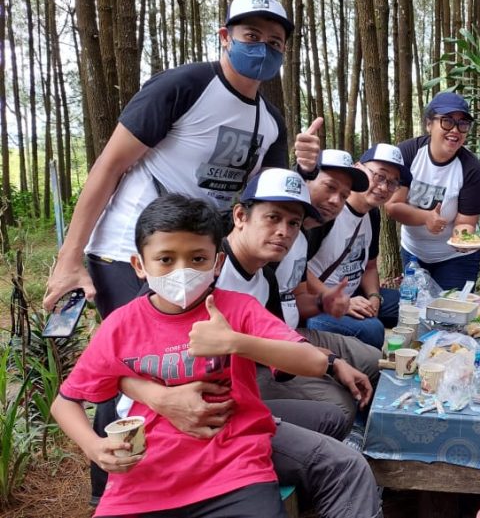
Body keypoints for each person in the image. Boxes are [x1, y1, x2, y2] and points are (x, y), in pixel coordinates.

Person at [41, 0, 322, 504]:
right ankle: (111, 486)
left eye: (274, 41)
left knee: (186, 360)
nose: (262, 48)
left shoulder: (269, 121)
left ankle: (197, 481)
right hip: (131, 247)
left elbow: (266, 197)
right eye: (250, 36)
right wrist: (69, 258)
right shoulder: (185, 86)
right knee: (131, 355)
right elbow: (109, 165)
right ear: (225, 37)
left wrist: (306, 169)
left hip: (197, 254)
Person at [51, 194, 329, 517]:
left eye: (198, 259)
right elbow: (64, 403)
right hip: (144, 481)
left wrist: (235, 342)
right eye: (166, 259)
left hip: (234, 471)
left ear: (217, 263)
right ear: (140, 265)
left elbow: (315, 362)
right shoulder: (121, 326)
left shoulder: (238, 310)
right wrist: (94, 446)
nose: (182, 271)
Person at [216, 168, 379, 436]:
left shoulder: (265, 277)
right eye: (273, 218)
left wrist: (334, 361)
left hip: (264, 359)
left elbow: (282, 339)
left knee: (371, 362)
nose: (283, 232)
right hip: (227, 383)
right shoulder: (210, 269)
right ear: (240, 216)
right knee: (338, 407)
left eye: (293, 223)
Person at [305, 144, 412, 348]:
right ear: (358, 168)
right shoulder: (329, 211)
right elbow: (299, 270)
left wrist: (374, 296)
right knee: (373, 329)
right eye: (379, 176)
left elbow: (370, 267)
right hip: (318, 299)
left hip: (353, 293)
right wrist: (337, 300)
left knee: (410, 306)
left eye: (392, 183)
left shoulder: (372, 214)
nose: (383, 187)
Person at [386, 92, 480, 290]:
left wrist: (464, 240)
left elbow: (465, 222)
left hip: (455, 259)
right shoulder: (408, 153)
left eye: (463, 124)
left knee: (451, 308)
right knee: (415, 306)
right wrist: (427, 218)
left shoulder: (471, 168)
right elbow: (393, 206)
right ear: (429, 124)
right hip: (413, 251)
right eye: (447, 121)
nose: (455, 130)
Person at [274, 149, 370, 330]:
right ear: (306, 180)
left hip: (290, 332)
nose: (335, 201)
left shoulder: (303, 235)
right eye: (330, 187)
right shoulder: (273, 234)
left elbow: (297, 296)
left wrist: (324, 301)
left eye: (344, 196)